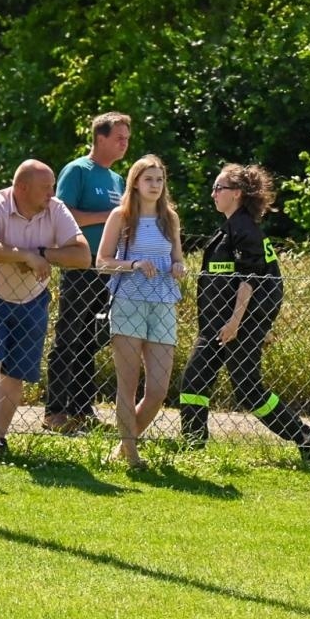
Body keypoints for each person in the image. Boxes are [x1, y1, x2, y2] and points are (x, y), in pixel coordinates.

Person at [176, 163, 310, 462]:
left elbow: (251, 280)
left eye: (219, 188)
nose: (213, 193)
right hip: (217, 326)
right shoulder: (229, 228)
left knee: (247, 389)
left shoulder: (245, 230)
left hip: (235, 325)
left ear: (237, 194)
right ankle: (193, 447)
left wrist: (237, 323)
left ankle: (306, 437)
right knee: (194, 382)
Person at [0, 160, 90, 457]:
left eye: (52, 187)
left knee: (15, 374)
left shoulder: (56, 209)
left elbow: (83, 256)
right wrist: (23, 256)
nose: (52, 193)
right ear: (22, 188)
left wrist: (40, 253)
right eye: (45, 187)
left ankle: (0, 438)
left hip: (32, 300)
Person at [97, 155, 187, 468]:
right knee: (128, 384)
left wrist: (179, 267)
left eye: (159, 180)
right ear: (135, 182)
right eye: (148, 179)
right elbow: (102, 261)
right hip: (128, 302)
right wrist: (133, 264)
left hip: (163, 302)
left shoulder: (170, 218)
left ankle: (123, 446)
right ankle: (132, 455)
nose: (155, 185)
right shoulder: (121, 216)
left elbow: (178, 258)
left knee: (159, 389)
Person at [43, 112, 131, 433]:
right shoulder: (78, 170)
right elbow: (63, 214)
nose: (124, 144)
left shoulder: (117, 180)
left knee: (90, 339)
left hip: (108, 267)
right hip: (81, 264)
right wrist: (110, 216)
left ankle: (82, 410)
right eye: (119, 138)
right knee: (69, 334)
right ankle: (55, 411)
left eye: (127, 139)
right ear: (100, 138)